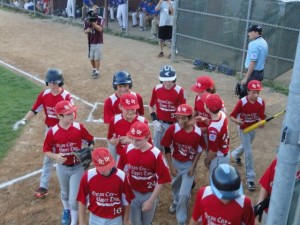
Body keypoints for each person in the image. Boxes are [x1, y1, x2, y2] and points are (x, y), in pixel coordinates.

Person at [13, 69, 73, 199]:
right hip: (50, 130)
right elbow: (35, 109)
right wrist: (24, 120)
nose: (52, 85)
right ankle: (43, 186)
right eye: (50, 83)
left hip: (64, 130)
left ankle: (73, 182)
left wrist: (64, 127)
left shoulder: (66, 97)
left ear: (60, 82)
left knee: (67, 155)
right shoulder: (44, 95)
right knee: (48, 157)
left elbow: (72, 115)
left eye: (55, 83)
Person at [43, 100, 94, 225]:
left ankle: (74, 221)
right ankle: (67, 211)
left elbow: (90, 140)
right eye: (69, 114)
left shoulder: (79, 127)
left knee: (73, 200)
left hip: (78, 167)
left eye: (72, 112)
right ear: (59, 116)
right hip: (62, 167)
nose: (72, 115)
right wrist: (56, 156)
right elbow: (46, 150)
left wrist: (90, 148)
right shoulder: (53, 132)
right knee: (65, 194)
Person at [118, 121, 172, 225]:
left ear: (147, 137)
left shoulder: (156, 154)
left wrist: (151, 201)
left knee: (147, 223)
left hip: (149, 194)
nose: (134, 142)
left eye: (138, 139)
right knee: (135, 222)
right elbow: (121, 172)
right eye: (132, 138)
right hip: (132, 193)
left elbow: (162, 179)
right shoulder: (127, 149)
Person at [160, 104, 206, 225]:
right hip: (175, 162)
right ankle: (175, 202)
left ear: (191, 118)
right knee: (175, 186)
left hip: (189, 165)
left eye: (184, 118)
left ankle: (181, 219)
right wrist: (171, 166)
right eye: (178, 117)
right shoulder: (173, 129)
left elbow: (199, 150)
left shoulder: (197, 133)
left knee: (184, 194)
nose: (180, 121)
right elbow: (166, 146)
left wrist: (193, 166)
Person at [77, 147, 134, 225]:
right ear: (95, 165)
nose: (106, 171)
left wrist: (126, 220)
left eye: (108, 167)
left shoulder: (121, 176)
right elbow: (82, 200)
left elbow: (126, 200)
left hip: (115, 218)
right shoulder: (88, 176)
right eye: (102, 169)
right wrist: (82, 222)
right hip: (95, 218)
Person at [189, 164, 255, 225]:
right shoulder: (204, 193)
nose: (226, 200)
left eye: (231, 196)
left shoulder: (245, 203)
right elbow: (195, 219)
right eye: (223, 196)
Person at [230, 80, 266, 191]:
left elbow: (261, 117)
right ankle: (250, 178)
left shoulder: (261, 102)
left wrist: (261, 123)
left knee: (246, 147)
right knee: (249, 152)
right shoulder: (242, 102)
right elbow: (232, 116)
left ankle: (234, 155)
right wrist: (237, 122)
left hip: (252, 129)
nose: (256, 95)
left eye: (258, 92)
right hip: (243, 129)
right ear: (248, 91)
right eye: (253, 92)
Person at [149, 65, 186, 152]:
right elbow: (151, 105)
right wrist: (154, 120)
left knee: (169, 150)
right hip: (159, 123)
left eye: (170, 80)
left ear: (174, 79)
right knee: (156, 150)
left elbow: (183, 111)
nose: (167, 83)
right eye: (165, 80)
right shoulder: (156, 88)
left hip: (173, 124)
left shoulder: (180, 90)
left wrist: (178, 124)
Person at [255, 158, 300, 224]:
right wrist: (260, 203)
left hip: (293, 216)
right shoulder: (280, 162)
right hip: (271, 212)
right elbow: (266, 185)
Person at [107, 93, 149, 161]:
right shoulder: (114, 120)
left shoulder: (143, 121)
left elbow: (148, 143)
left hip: (138, 156)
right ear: (120, 107)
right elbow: (110, 138)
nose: (130, 112)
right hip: (121, 156)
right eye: (127, 109)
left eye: (133, 109)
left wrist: (132, 141)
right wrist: (113, 141)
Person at [202, 93, 230, 173]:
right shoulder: (222, 114)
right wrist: (205, 120)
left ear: (207, 108)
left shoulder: (213, 130)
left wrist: (207, 160)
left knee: (215, 182)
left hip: (218, 158)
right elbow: (217, 124)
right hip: (225, 152)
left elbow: (213, 151)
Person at [239, 24, 268, 98]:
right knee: (254, 96)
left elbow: (253, 63)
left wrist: (246, 78)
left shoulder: (254, 44)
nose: (248, 34)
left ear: (256, 32)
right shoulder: (264, 42)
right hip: (260, 73)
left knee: (244, 96)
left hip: (253, 74)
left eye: (250, 31)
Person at [83, 5, 104, 79]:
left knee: (97, 57)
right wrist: (89, 30)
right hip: (90, 41)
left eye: (96, 10)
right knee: (91, 58)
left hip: (98, 41)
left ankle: (97, 71)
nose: (95, 11)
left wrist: (93, 23)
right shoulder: (86, 19)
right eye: (94, 10)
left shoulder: (100, 19)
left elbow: (100, 29)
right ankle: (94, 69)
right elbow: (85, 31)